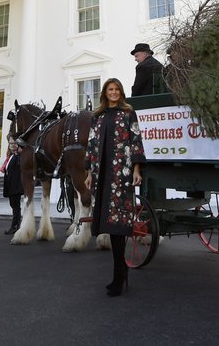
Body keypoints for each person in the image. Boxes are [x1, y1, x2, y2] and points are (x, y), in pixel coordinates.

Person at [85, 77, 146, 297]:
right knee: (108, 226)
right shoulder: (97, 117)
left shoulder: (128, 114)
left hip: (121, 175)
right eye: (110, 89)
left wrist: (137, 170)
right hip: (101, 176)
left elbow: (136, 142)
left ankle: (119, 276)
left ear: (121, 93)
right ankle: (119, 274)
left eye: (117, 89)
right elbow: (91, 147)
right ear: (105, 93)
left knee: (118, 225)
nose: (113, 92)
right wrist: (89, 174)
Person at [1, 135, 23, 234]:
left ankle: (15, 226)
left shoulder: (19, 157)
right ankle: (17, 224)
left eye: (14, 143)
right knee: (13, 205)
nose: (12, 145)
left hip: (16, 186)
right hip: (10, 185)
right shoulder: (10, 156)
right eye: (10, 143)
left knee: (15, 206)